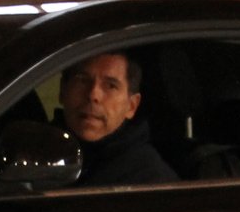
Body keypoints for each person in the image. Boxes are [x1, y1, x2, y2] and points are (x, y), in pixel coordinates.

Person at [59, 51, 177, 186]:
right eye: (83, 80)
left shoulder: (150, 180)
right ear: (62, 90)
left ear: (131, 106)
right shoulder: (42, 150)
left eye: (110, 86)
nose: (93, 95)